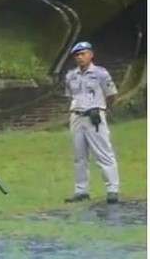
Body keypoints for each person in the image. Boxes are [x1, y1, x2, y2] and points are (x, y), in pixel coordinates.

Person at [63, 41, 120, 204]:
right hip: (77, 115)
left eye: (83, 54)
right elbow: (70, 95)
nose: (80, 57)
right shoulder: (71, 75)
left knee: (103, 153)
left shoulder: (101, 73)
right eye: (77, 55)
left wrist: (102, 108)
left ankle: (112, 189)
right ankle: (81, 190)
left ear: (91, 54)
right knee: (79, 155)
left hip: (94, 116)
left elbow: (112, 94)